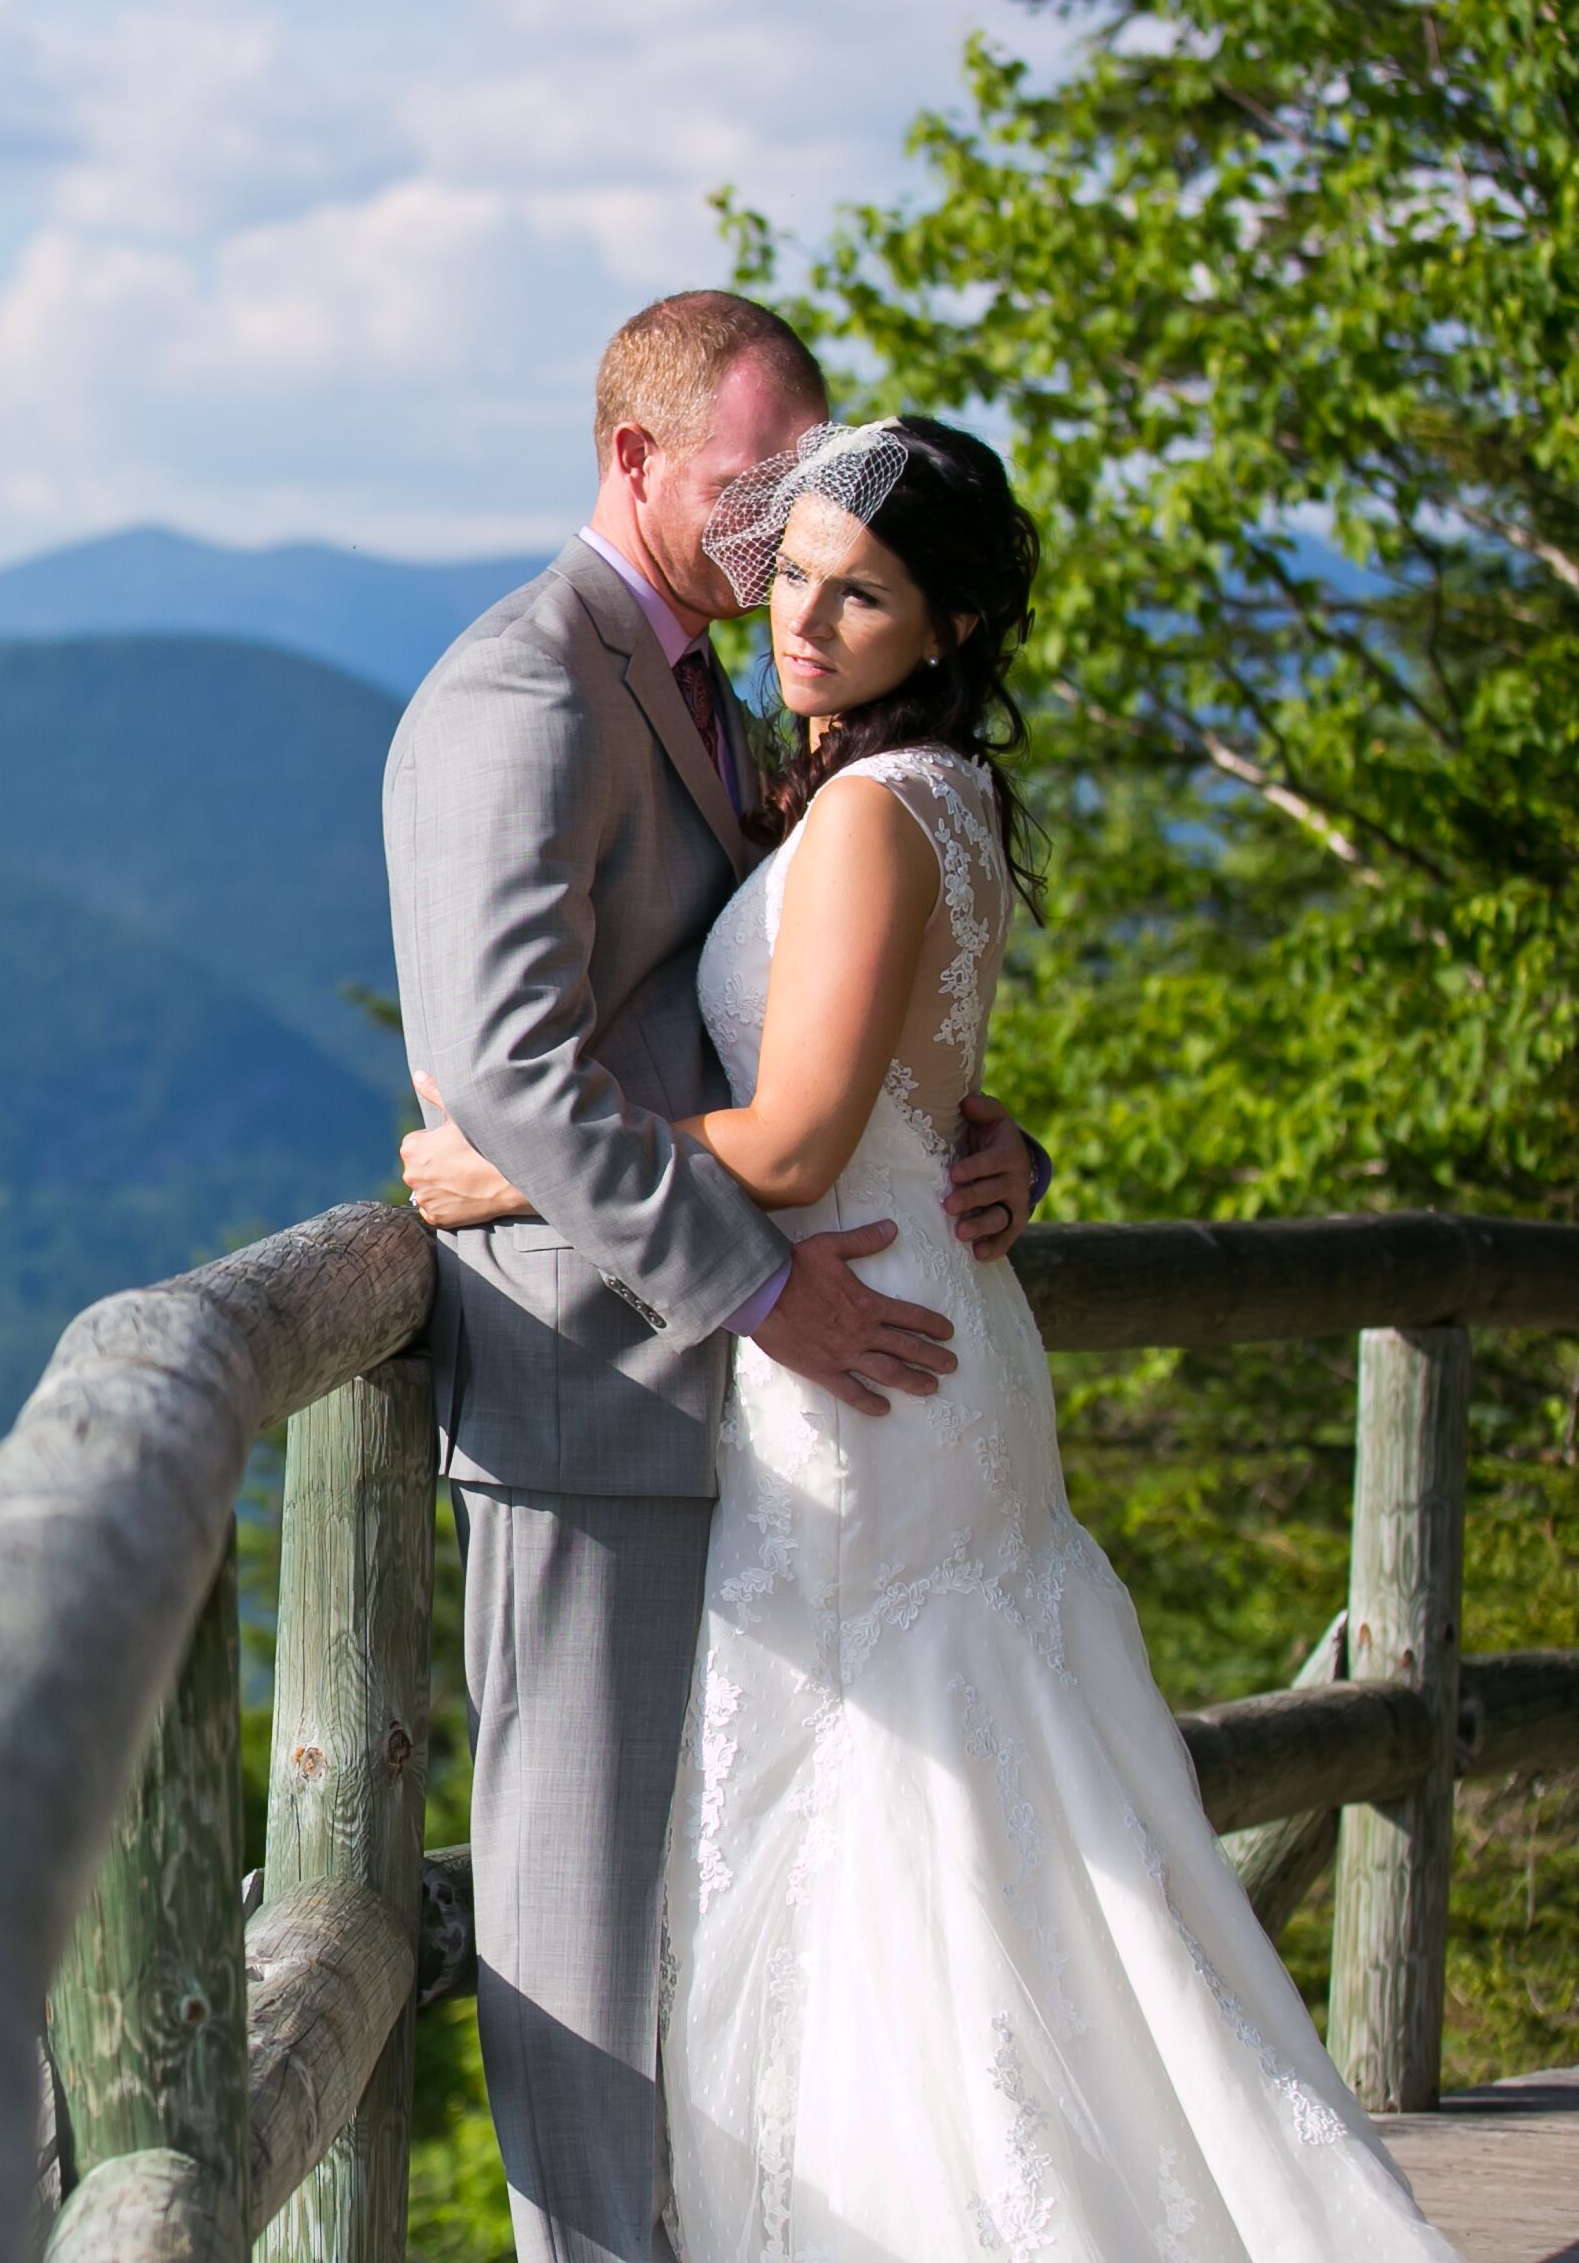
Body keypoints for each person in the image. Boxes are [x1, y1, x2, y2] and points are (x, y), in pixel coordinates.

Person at [402, 413, 1454, 2257]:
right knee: (940, 1820)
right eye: (792, 573)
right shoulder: (891, 792)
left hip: (862, 1365)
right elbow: (899, 1083)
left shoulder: (882, 810)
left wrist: (518, 1177)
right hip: (900, 1332)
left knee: (897, 1829)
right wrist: (986, 1130)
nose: (802, 619)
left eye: (859, 595)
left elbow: (806, 1139)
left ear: (947, 627)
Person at [377, 292, 1043, 2263]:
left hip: (749, 1410)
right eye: (758, 494)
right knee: (586, 1968)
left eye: (816, 501)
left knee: (738, 1945)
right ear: (641, 462)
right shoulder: (526, 690)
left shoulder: (715, 684)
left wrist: (967, 1131)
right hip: (596, 1394)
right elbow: (511, 1069)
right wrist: (760, 1291)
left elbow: (780, 1011)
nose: (785, 548)